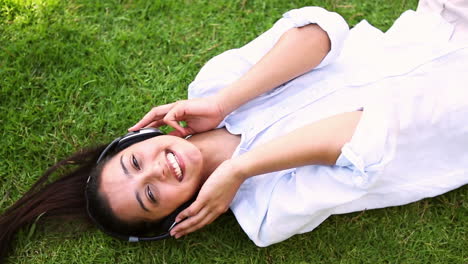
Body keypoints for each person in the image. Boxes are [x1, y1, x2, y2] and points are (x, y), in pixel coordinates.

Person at [1, 0, 467, 260]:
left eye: (135, 161)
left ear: (137, 137)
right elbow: (362, 131)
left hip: (439, 28)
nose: (157, 171)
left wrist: (226, 101)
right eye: (150, 195)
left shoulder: (215, 89)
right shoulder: (266, 213)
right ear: (175, 218)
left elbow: (324, 30)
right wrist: (240, 169)